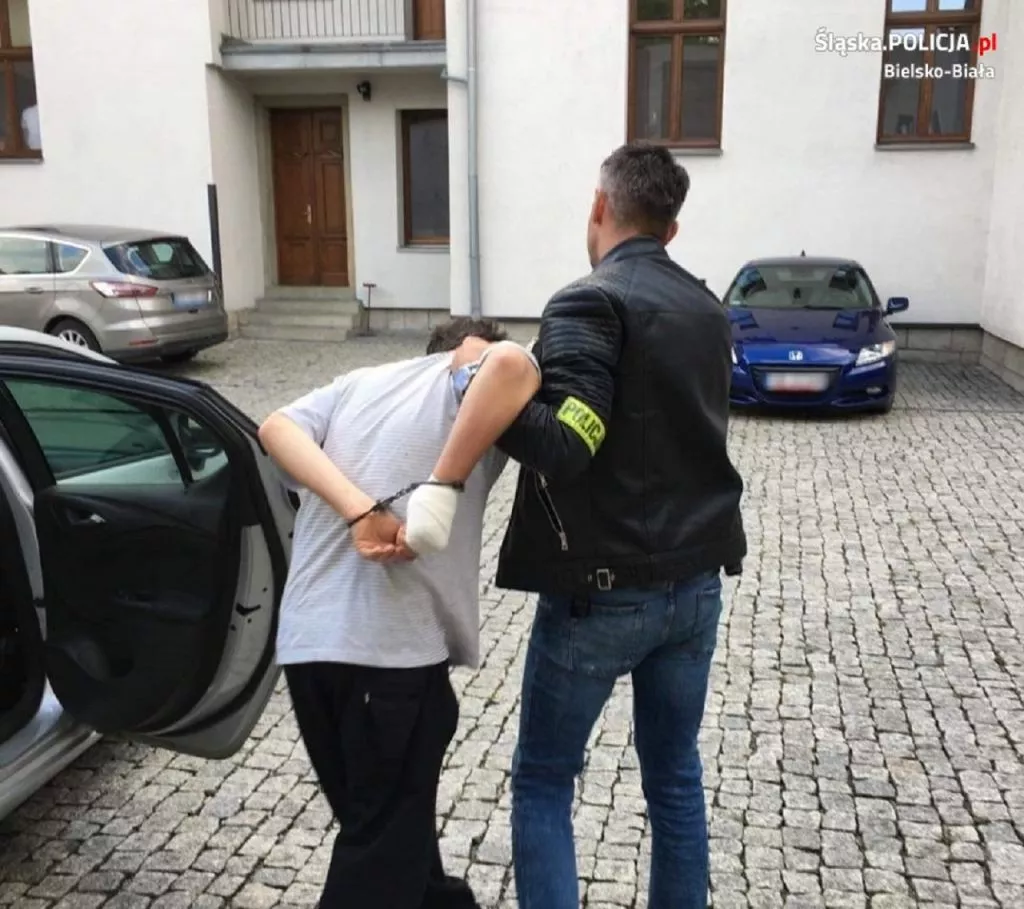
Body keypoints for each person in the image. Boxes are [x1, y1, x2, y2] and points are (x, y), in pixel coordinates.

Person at [491, 142, 748, 909]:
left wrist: (481, 381)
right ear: (671, 230)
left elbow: (569, 441)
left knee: (543, 778)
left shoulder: (588, 301)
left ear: (600, 206)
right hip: (694, 587)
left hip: (600, 594)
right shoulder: (708, 309)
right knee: (675, 777)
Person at [256, 318, 540, 909]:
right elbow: (509, 365)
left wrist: (357, 508)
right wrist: (418, 501)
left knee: (386, 828)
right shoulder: (470, 379)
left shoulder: (358, 384)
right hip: (388, 658)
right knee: (378, 849)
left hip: (308, 650)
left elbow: (276, 425)